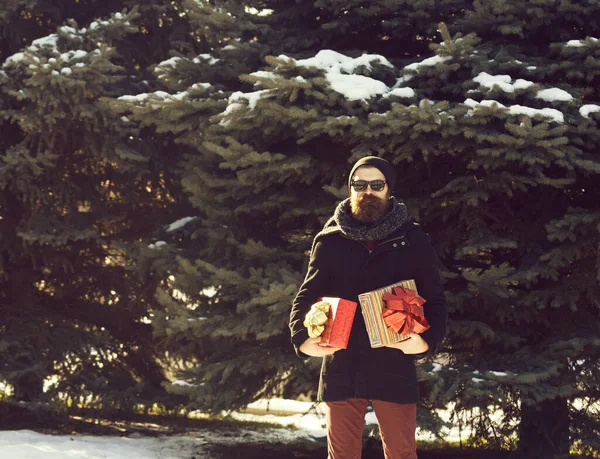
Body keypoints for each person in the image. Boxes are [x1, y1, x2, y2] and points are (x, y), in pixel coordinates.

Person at [289, 156, 448, 459]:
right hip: (342, 363)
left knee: (402, 453)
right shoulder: (330, 240)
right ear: (350, 189)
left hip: (394, 361)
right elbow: (306, 295)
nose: (367, 191)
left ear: (389, 189)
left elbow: (436, 299)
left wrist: (426, 341)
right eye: (359, 185)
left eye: (376, 184)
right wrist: (302, 338)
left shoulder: (412, 239)